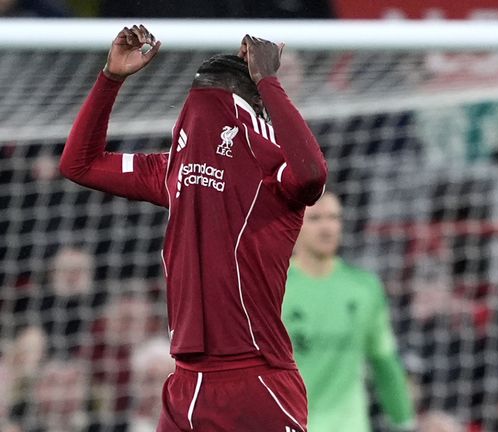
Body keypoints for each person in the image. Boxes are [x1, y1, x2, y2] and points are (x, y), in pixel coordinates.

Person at [60, 24, 327, 431]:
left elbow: (312, 175)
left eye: (212, 97)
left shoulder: (274, 168)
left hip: (256, 381)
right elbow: (77, 164)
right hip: (184, 385)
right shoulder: (173, 170)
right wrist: (110, 78)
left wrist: (269, 81)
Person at [282, 191, 415, 431]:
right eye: (315, 219)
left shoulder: (365, 288)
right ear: (296, 224)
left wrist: (404, 422)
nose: (327, 228)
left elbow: (384, 360)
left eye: (334, 218)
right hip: (293, 424)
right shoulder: (276, 288)